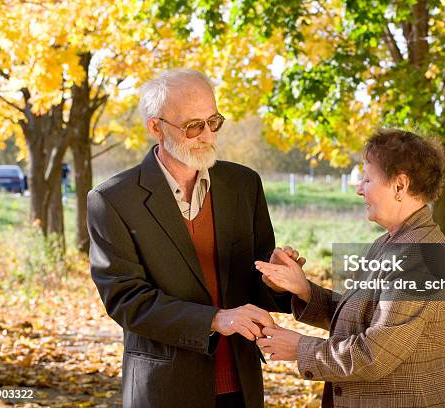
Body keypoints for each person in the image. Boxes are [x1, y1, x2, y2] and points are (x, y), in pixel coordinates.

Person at [87, 68, 298, 408]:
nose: (208, 136)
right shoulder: (112, 200)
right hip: (164, 389)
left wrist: (276, 282)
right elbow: (126, 300)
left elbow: (252, 284)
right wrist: (216, 319)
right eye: (193, 126)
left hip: (241, 386)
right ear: (156, 127)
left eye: (213, 122)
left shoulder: (244, 184)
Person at [256, 129, 445, 407]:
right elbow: (362, 317)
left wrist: (299, 348)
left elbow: (375, 354)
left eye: (367, 179)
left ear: (400, 186)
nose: (359, 189)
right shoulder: (391, 241)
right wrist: (302, 289)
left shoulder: (418, 255)